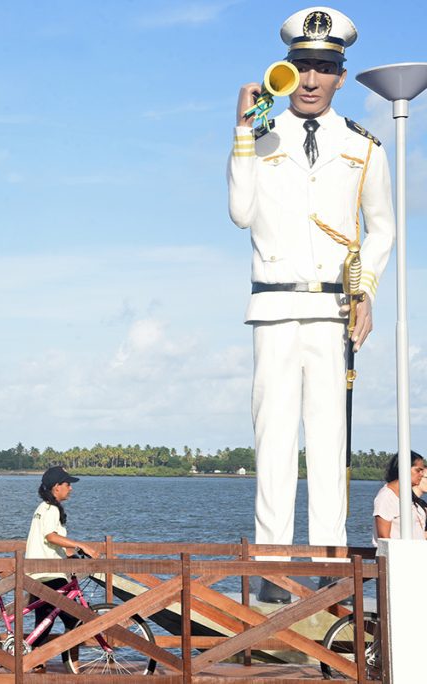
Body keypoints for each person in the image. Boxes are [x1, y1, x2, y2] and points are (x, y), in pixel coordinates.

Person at [228, 7, 395, 603]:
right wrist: (243, 131)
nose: (310, 79)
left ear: (341, 76)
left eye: (323, 67)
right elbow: (241, 212)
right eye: (300, 65)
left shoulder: (363, 147)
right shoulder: (262, 138)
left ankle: (327, 567)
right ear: (284, 68)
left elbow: (383, 228)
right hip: (272, 308)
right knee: (272, 440)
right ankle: (271, 571)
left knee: (329, 444)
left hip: (333, 311)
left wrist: (366, 289)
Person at [25, 466, 92, 673]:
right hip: (49, 573)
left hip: (38, 572)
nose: (70, 489)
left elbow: (51, 542)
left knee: (44, 621)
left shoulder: (42, 508)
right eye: (67, 484)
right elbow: (51, 536)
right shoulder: (51, 509)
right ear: (56, 487)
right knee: (77, 618)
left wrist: (70, 553)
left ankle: (35, 660)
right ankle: (74, 666)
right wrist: (81, 545)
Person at [373, 452, 427, 545]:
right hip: (399, 557)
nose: (421, 474)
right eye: (418, 470)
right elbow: (384, 538)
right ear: (404, 468)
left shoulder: (409, 497)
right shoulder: (387, 496)